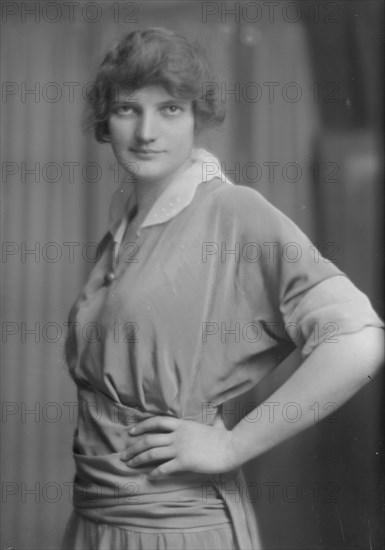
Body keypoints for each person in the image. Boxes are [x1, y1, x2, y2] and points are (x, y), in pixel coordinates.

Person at [61, 28, 384, 550]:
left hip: (176, 529)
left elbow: (360, 338)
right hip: (95, 522)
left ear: (197, 118)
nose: (146, 131)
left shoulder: (233, 213)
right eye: (127, 109)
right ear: (105, 119)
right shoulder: (125, 228)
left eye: (170, 109)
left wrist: (232, 445)